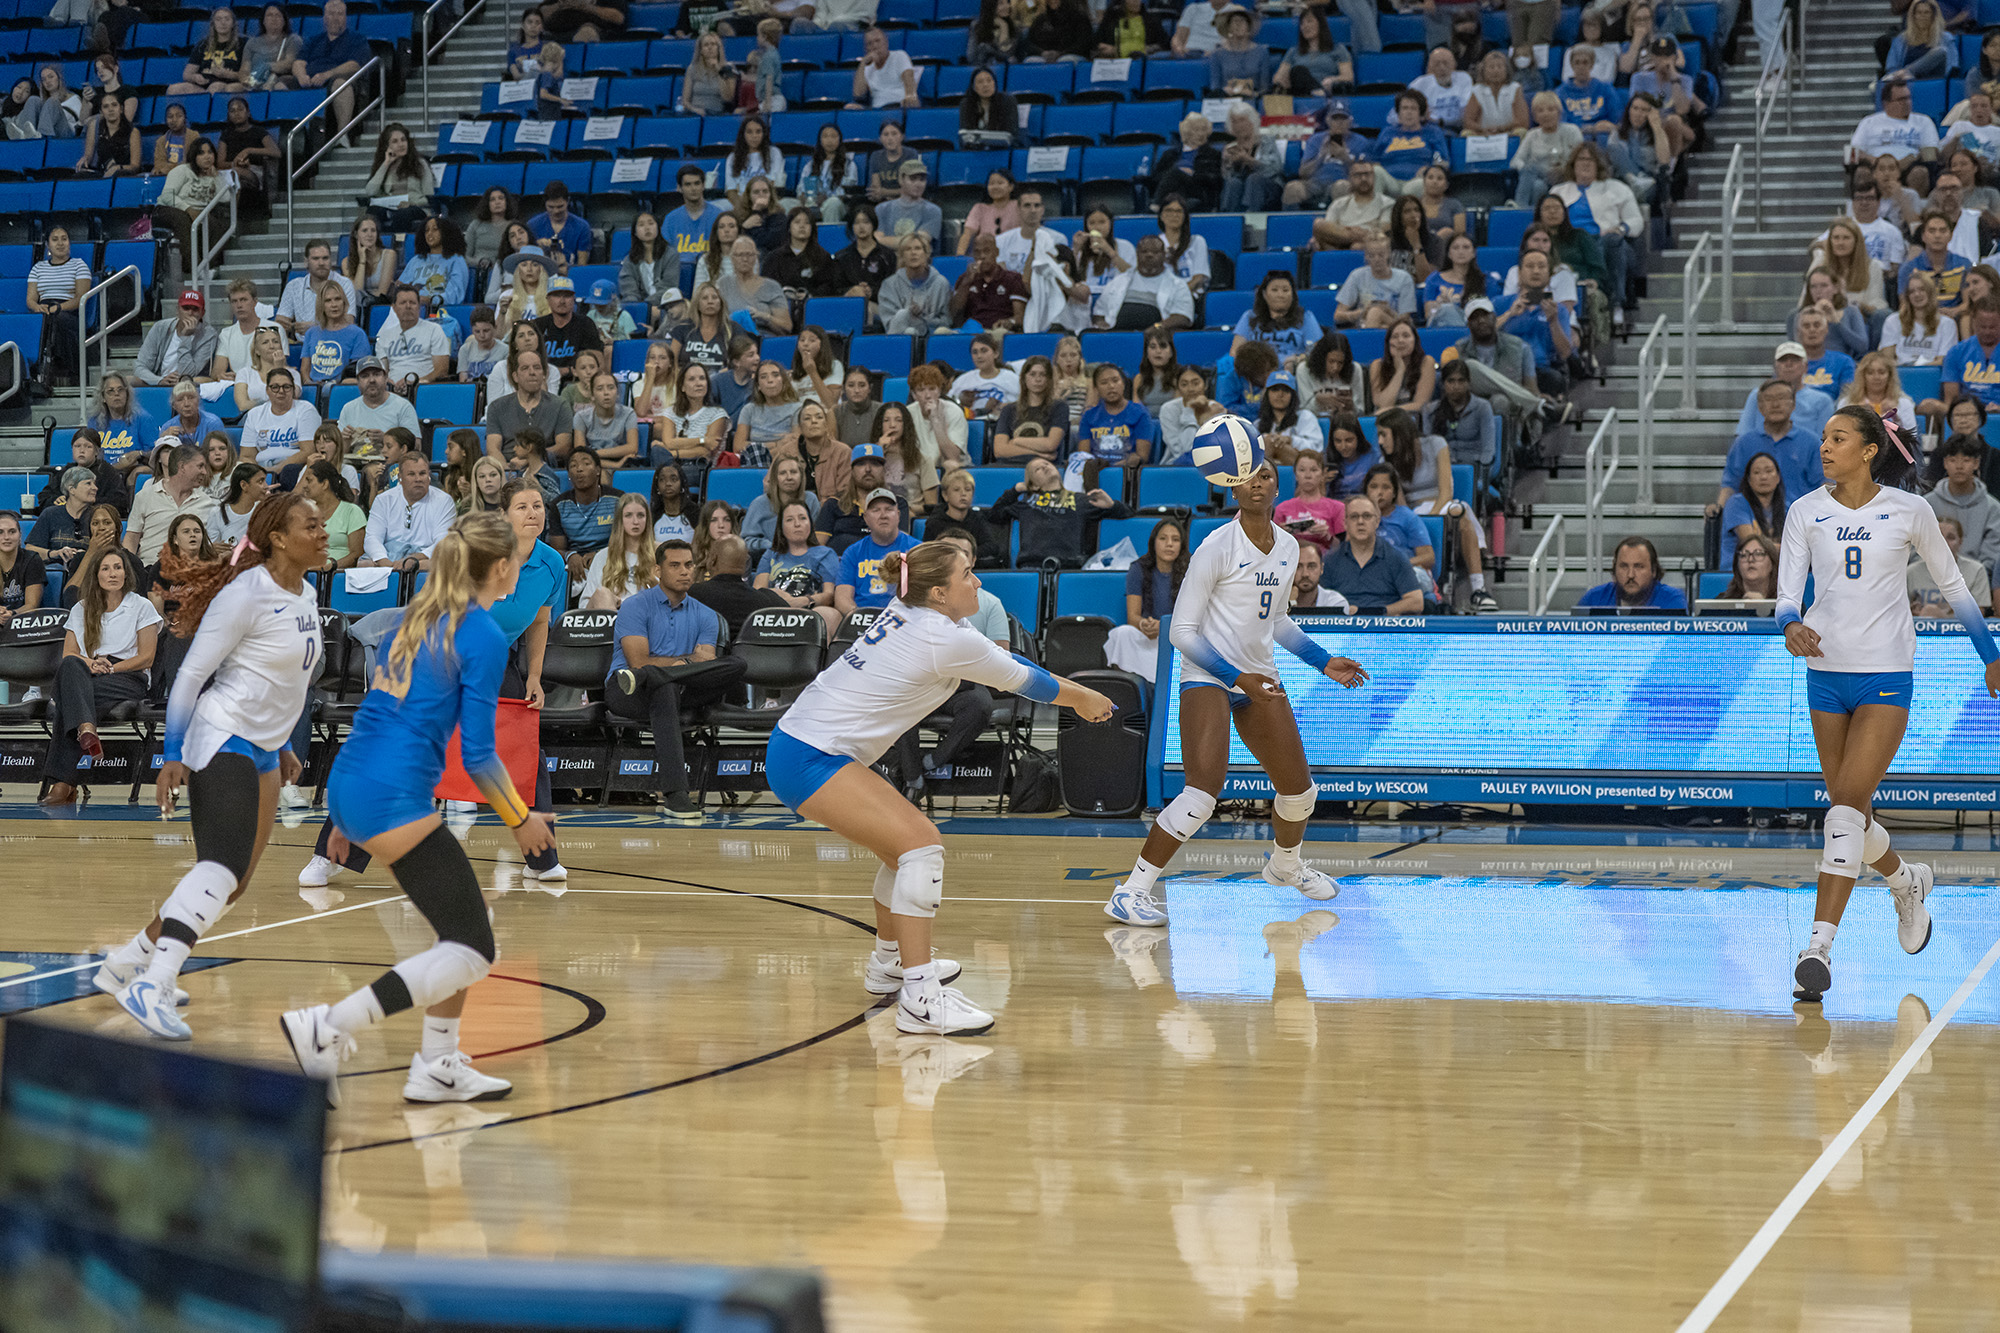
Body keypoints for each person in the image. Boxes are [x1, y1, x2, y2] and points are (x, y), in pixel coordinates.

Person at [774, 533, 1114, 1032]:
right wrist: (1084, 697)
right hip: (810, 755)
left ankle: (891, 963)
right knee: (921, 846)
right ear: (938, 592)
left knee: (901, 852)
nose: (977, 582)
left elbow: (1012, 664)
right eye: (966, 575)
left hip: (802, 745)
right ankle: (920, 998)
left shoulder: (909, 609)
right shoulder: (943, 636)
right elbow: (1025, 678)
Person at [281, 512, 554, 1105]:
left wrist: (343, 820)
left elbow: (378, 712)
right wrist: (522, 820)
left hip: (356, 781)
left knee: (457, 930)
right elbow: (480, 755)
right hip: (389, 793)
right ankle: (329, 1026)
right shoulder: (479, 632)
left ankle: (437, 1064)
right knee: (474, 948)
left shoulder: (417, 616)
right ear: (503, 568)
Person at [1777, 406, 1998, 1000]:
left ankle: (1817, 947)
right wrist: (1790, 625)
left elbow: (1954, 586)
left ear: (1870, 449)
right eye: (1823, 438)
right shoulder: (1805, 511)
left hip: (1885, 675)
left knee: (1844, 810)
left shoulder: (1909, 510)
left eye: (1838, 438)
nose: (1825, 446)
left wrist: (1990, 655)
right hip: (1824, 675)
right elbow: (1785, 596)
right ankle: (1906, 883)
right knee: (1852, 815)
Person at [1105, 454, 1365, 929]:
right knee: (1201, 795)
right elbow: (1182, 633)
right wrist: (1235, 676)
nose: (1257, 484)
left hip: (1258, 673)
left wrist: (1322, 660)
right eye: (1247, 478)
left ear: (1277, 485)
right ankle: (1131, 892)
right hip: (1208, 674)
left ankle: (1285, 866)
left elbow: (1278, 621)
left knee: (1300, 792)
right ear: (1233, 490)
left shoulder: (1288, 546)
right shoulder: (1214, 547)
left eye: (1266, 475)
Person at [96, 492, 321, 1039]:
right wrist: (172, 755)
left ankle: (126, 963)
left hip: (265, 746)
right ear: (277, 539)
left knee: (235, 882)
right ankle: (154, 984)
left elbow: (288, 680)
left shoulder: (307, 592)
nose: (321, 531)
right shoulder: (245, 594)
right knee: (218, 867)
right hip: (221, 737)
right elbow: (191, 678)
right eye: (310, 525)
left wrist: (286, 742)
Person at [603, 539, 748, 818]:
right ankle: (675, 796)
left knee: (736, 664)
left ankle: (657, 678)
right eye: (675, 565)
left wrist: (667, 669)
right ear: (658, 570)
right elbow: (638, 662)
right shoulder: (635, 606)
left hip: (682, 688)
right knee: (662, 686)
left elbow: (707, 660)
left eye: (689, 565)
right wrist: (683, 662)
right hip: (627, 689)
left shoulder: (706, 615)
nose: (685, 571)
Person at [38, 544, 159, 805]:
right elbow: (70, 654)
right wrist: (90, 664)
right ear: (97, 574)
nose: (112, 573)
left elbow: (146, 657)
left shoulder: (142, 606)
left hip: (128, 676)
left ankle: (63, 784)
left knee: (69, 696)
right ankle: (86, 728)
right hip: (88, 672)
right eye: (106, 568)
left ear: (126, 573)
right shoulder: (81, 608)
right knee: (70, 667)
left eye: (118, 567)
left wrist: (112, 668)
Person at [992, 456, 1128, 566]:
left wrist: (1111, 505)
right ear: (1033, 484)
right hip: (1032, 565)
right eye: (1037, 469)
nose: (1044, 467)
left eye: (1046, 464)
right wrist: (1015, 490)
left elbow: (1127, 513)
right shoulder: (1026, 503)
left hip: (1069, 566)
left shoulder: (1080, 500)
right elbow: (994, 515)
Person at [1105, 518, 1187, 683]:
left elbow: (1195, 619)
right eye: (1163, 538)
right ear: (1153, 542)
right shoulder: (1138, 569)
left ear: (1182, 545)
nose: (1169, 544)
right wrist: (1144, 624)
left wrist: (1165, 628)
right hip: (1148, 638)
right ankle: (1131, 689)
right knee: (1121, 634)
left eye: (1175, 539)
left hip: (1178, 640)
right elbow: (1133, 617)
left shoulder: (1192, 569)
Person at [1847, 80, 1940, 198]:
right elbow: (1854, 152)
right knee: (1862, 173)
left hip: (1909, 166)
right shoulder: (1869, 122)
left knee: (1920, 173)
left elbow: (1931, 152)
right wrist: (1878, 163)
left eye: (1908, 98)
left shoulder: (1923, 121)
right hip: (1875, 166)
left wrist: (1910, 160)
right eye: (1901, 99)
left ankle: (1915, 213)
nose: (1907, 103)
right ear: (1886, 103)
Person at [363, 453, 455, 571]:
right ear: (400, 477)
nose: (418, 479)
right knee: (364, 565)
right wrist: (384, 561)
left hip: (423, 557)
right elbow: (372, 537)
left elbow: (443, 541)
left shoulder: (444, 501)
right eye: (411, 474)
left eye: (422, 473)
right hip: (389, 554)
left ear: (429, 475)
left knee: (440, 562)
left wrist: (414, 559)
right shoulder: (384, 500)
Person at [1925, 433, 2000, 575]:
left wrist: (1974, 574)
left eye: (1966, 460)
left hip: (1978, 577)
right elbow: (1917, 546)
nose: (1959, 466)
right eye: (1953, 460)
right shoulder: (1927, 504)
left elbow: (1993, 553)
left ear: (1976, 463)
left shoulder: (1993, 508)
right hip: (1932, 575)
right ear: (1945, 463)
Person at [289, 0, 371, 131]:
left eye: (340, 14)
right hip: (309, 80)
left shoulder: (357, 39)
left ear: (345, 17)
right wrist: (301, 76)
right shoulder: (313, 40)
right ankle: (289, 130)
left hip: (337, 80)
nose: (335, 18)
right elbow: (298, 63)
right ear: (324, 18)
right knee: (281, 83)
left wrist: (327, 75)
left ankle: (342, 135)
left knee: (340, 84)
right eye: (331, 14)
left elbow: (354, 65)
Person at [27, 224, 90, 390]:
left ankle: (63, 368)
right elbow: (31, 299)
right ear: (48, 245)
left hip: (70, 312)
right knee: (38, 321)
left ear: (69, 243)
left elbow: (81, 298)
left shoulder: (79, 265)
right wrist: (36, 307)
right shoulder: (38, 268)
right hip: (43, 311)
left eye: (64, 239)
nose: (60, 243)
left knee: (56, 319)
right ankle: (36, 372)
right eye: (55, 240)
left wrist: (58, 308)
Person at [486, 350, 573, 462]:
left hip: (546, 467)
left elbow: (563, 448)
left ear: (543, 375)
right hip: (509, 468)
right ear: (515, 376)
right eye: (525, 368)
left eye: (537, 367)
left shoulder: (560, 405)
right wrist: (507, 471)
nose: (532, 372)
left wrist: (530, 460)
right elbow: (493, 449)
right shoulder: (497, 407)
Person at [1575, 535, 1688, 611]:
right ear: (1614, 570)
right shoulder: (1594, 599)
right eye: (1624, 566)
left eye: (1638, 567)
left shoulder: (1672, 600)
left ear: (1653, 571)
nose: (1630, 575)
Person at [275, 240, 358, 340]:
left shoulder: (345, 284)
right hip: (303, 345)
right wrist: (290, 327)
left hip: (336, 341)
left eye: (325, 258)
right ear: (306, 262)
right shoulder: (293, 286)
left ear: (330, 260)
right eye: (315, 258)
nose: (321, 263)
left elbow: (349, 321)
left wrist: (316, 328)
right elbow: (280, 321)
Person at [1910, 515, 1994, 614]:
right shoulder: (1911, 572)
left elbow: (1979, 613)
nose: (1944, 543)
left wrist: (1939, 616)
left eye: (1950, 538)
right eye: (1938, 537)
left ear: (1960, 542)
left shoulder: (1976, 570)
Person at [135, 291, 220, 388]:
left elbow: (188, 373)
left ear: (202, 313)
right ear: (177, 310)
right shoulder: (160, 328)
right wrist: (159, 380)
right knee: (130, 380)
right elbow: (140, 367)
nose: (190, 313)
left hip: (188, 386)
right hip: (159, 381)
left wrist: (185, 338)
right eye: (186, 308)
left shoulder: (208, 335)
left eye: (195, 309)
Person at [375, 285, 452, 389]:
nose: (408, 306)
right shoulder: (384, 336)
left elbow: (441, 370)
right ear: (394, 308)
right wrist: (389, 383)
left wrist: (415, 383)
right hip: (392, 391)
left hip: (423, 389)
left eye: (412, 303)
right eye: (403, 303)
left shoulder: (434, 330)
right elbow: (382, 371)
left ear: (419, 306)